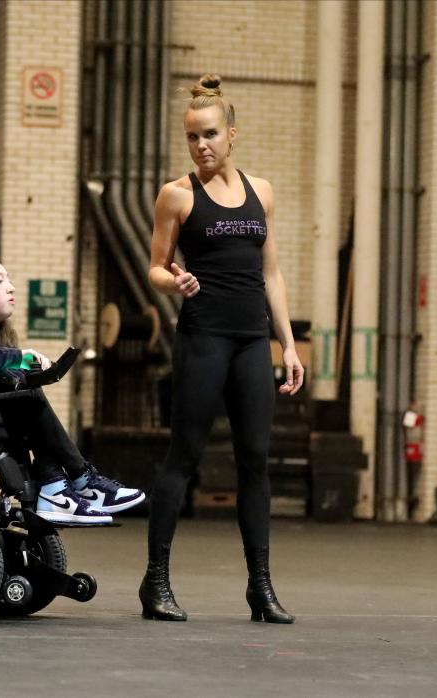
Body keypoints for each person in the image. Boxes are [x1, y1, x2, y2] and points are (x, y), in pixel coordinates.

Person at [140, 75, 303, 623]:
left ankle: (261, 588)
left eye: (210, 135)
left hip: (253, 341)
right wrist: (174, 282)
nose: (201, 146)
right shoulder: (177, 195)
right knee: (183, 457)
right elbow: (155, 267)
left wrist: (289, 346)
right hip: (204, 338)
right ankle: (155, 582)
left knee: (255, 461)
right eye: (192, 137)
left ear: (232, 135)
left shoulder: (263, 192)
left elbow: (271, 274)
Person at [0, 253, 146, 525]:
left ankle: (55, 486)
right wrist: (16, 359)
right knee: (29, 399)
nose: (11, 287)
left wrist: (27, 373)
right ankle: (77, 481)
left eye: (9, 280)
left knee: (29, 395)